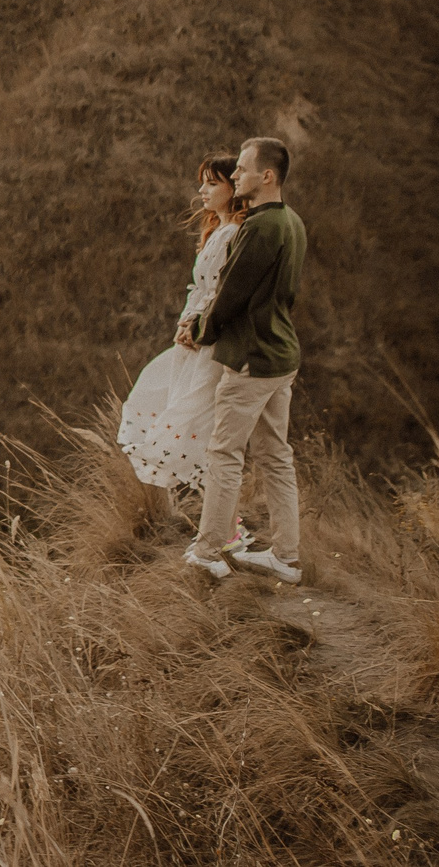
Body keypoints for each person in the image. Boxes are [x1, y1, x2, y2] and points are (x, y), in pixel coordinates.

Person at [182, 136, 307, 585]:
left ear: (267, 176)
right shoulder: (292, 222)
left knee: (224, 454)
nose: (235, 176)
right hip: (281, 354)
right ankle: (286, 558)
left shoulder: (259, 228)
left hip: (252, 359)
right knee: (275, 455)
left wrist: (197, 330)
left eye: (242, 170)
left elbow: (230, 297)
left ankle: (207, 549)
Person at [118, 156, 248, 528]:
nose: (201, 191)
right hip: (192, 341)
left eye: (211, 183)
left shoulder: (236, 233)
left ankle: (227, 525)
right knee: (157, 398)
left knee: (203, 426)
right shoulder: (218, 231)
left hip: (210, 344)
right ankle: (220, 522)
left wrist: (196, 325)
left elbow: (223, 293)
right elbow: (201, 289)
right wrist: (185, 322)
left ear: (232, 188)